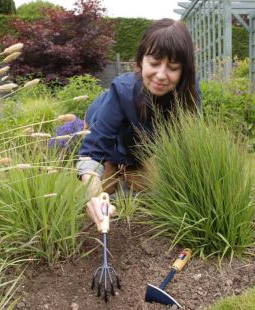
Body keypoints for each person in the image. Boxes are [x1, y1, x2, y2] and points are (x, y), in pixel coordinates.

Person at [76, 18, 202, 231]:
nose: (161, 75)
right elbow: (92, 152)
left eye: (173, 67)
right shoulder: (122, 91)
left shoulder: (188, 93)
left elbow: (188, 148)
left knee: (149, 190)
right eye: (153, 64)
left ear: (184, 71)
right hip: (107, 139)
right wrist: (96, 197)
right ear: (140, 61)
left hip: (138, 150)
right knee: (102, 191)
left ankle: (128, 170)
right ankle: (115, 172)